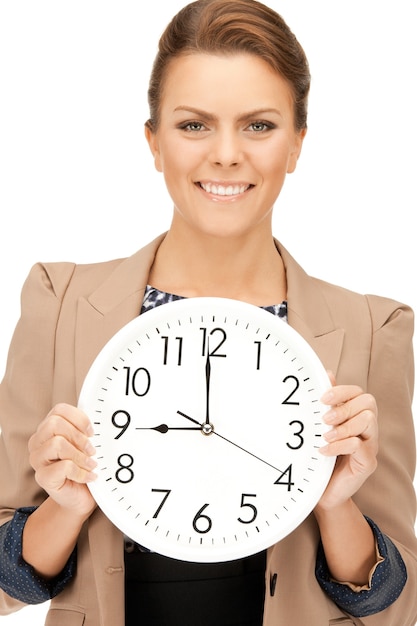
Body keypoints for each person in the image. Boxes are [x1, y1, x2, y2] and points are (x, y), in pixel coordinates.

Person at [0, 0, 416, 624]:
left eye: (258, 125)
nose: (225, 154)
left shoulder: (372, 331)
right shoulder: (59, 305)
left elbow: (400, 606)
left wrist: (335, 505)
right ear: (153, 142)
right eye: (194, 125)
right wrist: (69, 504)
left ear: (298, 143)